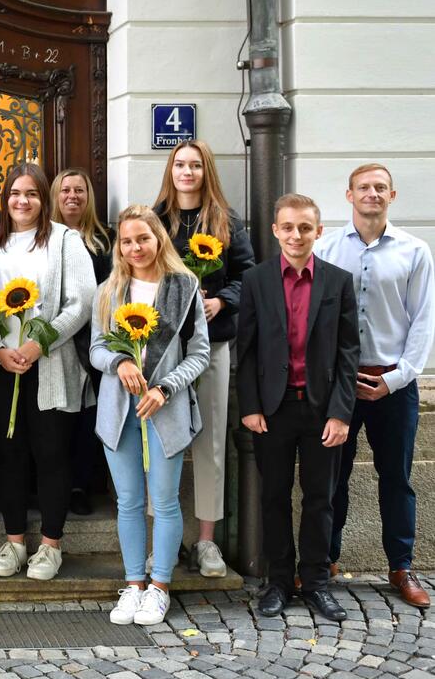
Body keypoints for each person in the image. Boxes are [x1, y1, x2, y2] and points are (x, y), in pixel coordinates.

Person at [316, 164, 434, 608]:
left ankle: (401, 565)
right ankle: (324, 560)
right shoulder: (326, 248)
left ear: (392, 195)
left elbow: (422, 320)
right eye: (364, 187)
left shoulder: (414, 251)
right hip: (340, 382)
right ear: (349, 195)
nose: (372, 194)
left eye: (380, 187)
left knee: (397, 479)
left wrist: (397, 378)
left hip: (393, 382)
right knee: (332, 477)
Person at [0, 162, 96, 582]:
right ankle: (14, 542)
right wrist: (0, 349)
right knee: (8, 455)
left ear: (44, 199)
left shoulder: (66, 241)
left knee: (51, 454)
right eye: (14, 194)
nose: (22, 201)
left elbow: (81, 303)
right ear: (4, 199)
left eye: (31, 194)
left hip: (50, 366)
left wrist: (36, 344)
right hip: (0, 365)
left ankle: (50, 546)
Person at [238, 194, 358, 622]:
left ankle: (317, 582)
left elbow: (348, 352)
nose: (296, 235)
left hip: (322, 408)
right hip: (272, 408)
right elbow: (246, 350)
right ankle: (279, 582)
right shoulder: (256, 281)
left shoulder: (338, 282)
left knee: (320, 498)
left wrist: (342, 412)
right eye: (288, 227)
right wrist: (250, 405)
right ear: (275, 230)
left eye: (305, 227)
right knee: (273, 496)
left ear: (318, 231)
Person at [91, 205, 210, 626]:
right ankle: (134, 584)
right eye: (126, 241)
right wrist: (119, 363)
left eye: (143, 238)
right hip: (120, 410)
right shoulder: (109, 291)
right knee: (128, 501)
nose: (135, 247)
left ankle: (160, 586)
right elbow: (97, 348)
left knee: (163, 501)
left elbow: (199, 353)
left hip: (165, 408)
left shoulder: (184, 287)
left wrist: (165, 387)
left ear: (158, 238)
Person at [152, 140, 254, 577]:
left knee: (211, 441)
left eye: (195, 165)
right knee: (158, 445)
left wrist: (222, 302)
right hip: (161, 351)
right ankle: (162, 538)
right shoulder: (155, 220)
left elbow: (249, 276)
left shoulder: (227, 222)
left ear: (206, 171)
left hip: (211, 345)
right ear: (170, 171)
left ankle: (207, 541)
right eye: (180, 164)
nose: (187, 171)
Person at [51, 168, 114, 517]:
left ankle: (80, 484)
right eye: (65, 190)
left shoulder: (106, 240)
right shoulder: (45, 238)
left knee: (87, 417)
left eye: (80, 190)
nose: (72, 196)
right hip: (54, 340)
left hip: (94, 342)